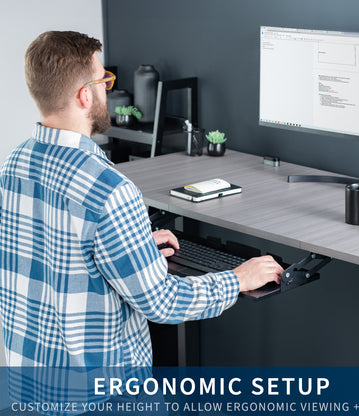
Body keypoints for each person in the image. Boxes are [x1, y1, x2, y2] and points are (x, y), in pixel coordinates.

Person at [0, 31, 283, 413]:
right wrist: (237, 280)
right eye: (104, 81)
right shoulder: (109, 189)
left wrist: (129, 248)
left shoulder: (14, 164)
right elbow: (162, 303)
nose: (106, 89)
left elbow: (51, 254)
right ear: (85, 95)